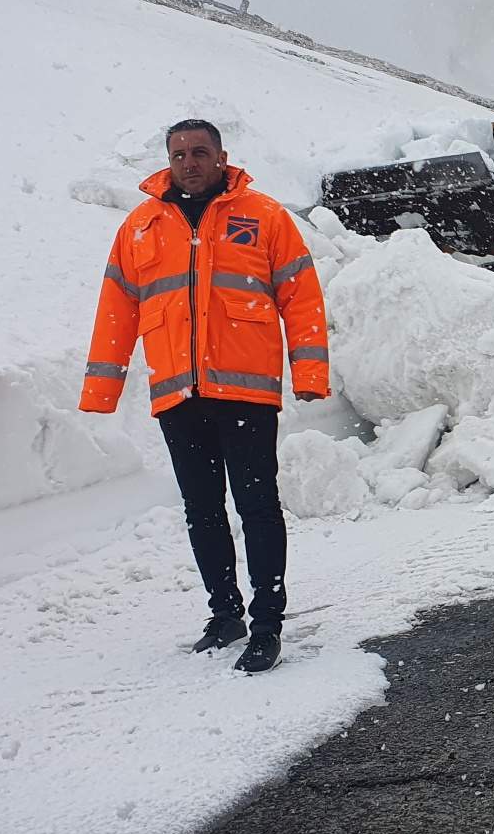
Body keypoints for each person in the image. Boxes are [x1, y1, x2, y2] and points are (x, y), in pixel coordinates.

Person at [79, 119, 330, 674]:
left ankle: (267, 623)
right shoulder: (140, 228)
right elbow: (116, 310)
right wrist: (102, 387)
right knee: (202, 511)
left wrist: (308, 372)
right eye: (178, 154)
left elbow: (301, 296)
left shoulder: (264, 216)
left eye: (199, 152)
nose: (189, 162)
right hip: (178, 394)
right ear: (167, 161)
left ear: (221, 157)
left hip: (247, 392)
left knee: (257, 506)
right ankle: (225, 615)